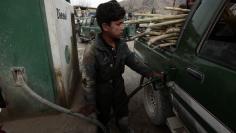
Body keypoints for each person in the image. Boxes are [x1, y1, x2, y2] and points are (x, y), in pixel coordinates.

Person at [79, 0, 162, 133]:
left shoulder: (122, 45)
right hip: (102, 94)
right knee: (103, 122)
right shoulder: (92, 50)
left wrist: (150, 73)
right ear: (105, 26)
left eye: (122, 22)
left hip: (119, 88)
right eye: (119, 24)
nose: (123, 27)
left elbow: (134, 62)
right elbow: (87, 81)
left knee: (123, 116)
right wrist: (90, 104)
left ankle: (124, 127)